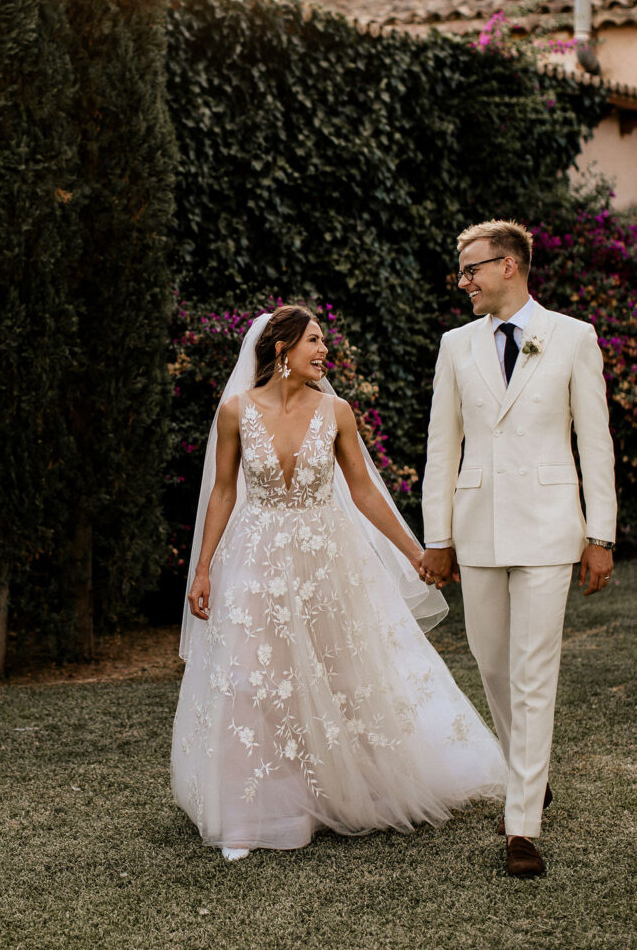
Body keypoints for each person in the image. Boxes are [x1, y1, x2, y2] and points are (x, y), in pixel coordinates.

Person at [171, 305, 506, 860]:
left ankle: (345, 789)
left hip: (326, 561)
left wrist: (417, 553)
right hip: (255, 561)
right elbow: (223, 492)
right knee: (253, 681)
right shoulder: (235, 411)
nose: (325, 350)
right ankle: (251, 812)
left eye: (323, 340)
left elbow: (364, 491)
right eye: (314, 340)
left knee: (339, 673)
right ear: (282, 348)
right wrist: (204, 567)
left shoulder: (336, 411)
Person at [421, 220, 617, 878]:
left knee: (533, 672)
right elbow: (441, 446)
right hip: (477, 527)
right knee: (492, 664)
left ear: (508, 265)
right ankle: (530, 772)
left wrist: (599, 535)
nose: (463, 281)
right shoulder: (455, 345)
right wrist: (438, 537)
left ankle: (522, 825)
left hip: (547, 528)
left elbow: (594, 442)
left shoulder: (573, 337)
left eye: (470, 268)